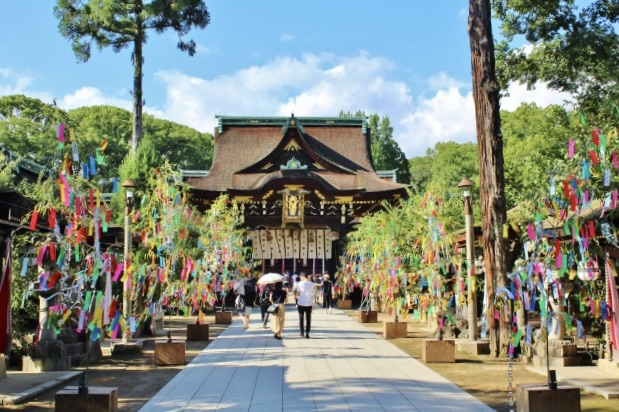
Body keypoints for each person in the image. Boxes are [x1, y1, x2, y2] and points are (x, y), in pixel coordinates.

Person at [295, 271, 319, 338]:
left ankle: (302, 332)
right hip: (309, 303)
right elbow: (314, 291)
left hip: (301, 302)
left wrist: (295, 297)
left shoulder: (300, 284)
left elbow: (298, 292)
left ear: (303, 276)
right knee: (308, 318)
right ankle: (307, 333)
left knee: (301, 318)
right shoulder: (312, 284)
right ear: (308, 276)